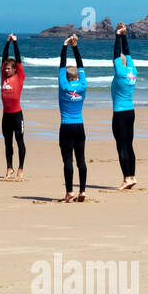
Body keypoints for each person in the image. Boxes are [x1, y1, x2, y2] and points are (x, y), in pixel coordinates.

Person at [57, 34, 88, 202]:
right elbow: (81, 65)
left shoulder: (63, 86)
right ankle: (82, 191)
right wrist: (75, 47)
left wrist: (64, 46)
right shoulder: (83, 85)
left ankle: (70, 192)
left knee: (68, 160)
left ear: (67, 77)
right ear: (77, 76)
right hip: (79, 126)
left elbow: (61, 65)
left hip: (66, 126)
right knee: (81, 160)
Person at [111, 22, 138, 190]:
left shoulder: (119, 73)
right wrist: (123, 34)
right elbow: (125, 52)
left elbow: (116, 53)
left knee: (121, 146)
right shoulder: (132, 71)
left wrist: (117, 35)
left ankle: (126, 178)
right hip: (131, 112)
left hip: (120, 114)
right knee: (129, 145)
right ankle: (133, 176)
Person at [0, 33, 26, 181]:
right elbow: (4, 58)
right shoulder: (3, 77)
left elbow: (18, 59)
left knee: (19, 141)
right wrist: (7, 42)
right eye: (6, 68)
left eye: (9, 68)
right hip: (6, 115)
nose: (6, 70)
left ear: (15, 69)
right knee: (7, 142)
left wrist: (15, 42)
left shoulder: (19, 76)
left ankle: (20, 168)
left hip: (17, 115)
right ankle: (9, 167)